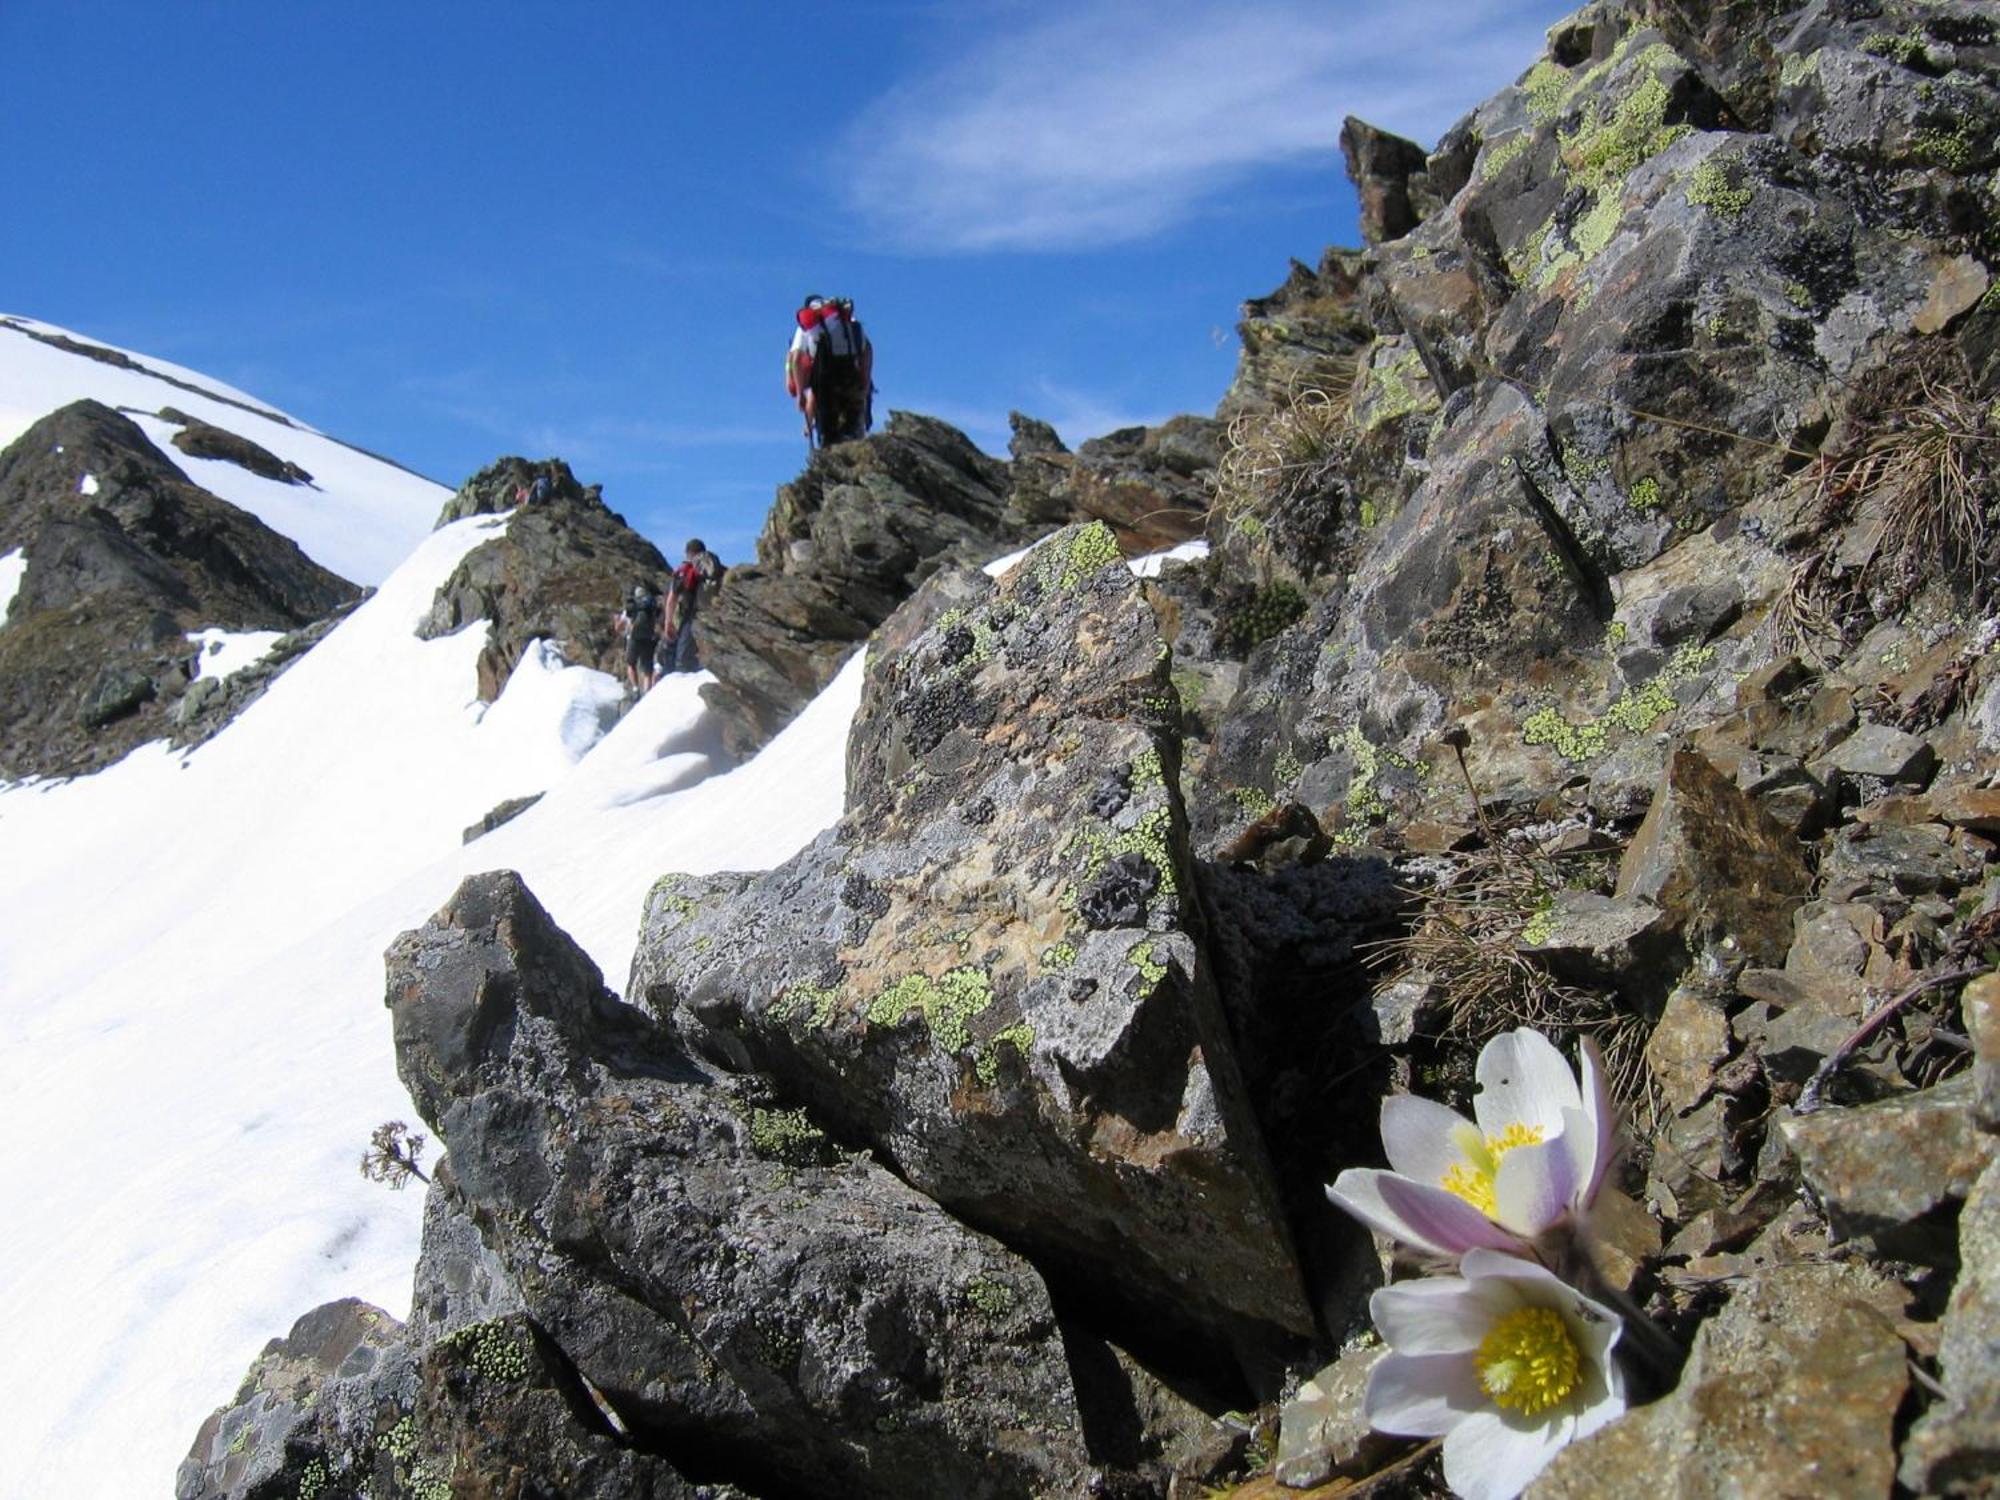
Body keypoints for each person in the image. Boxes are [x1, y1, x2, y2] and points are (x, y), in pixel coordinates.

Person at [785, 293, 874, 448]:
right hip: (850, 374)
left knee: (828, 435)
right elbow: (867, 348)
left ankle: (830, 462)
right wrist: (865, 377)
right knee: (854, 428)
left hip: (826, 382)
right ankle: (857, 454)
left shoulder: (807, 327)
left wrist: (800, 394)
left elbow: (796, 359)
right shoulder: (846, 319)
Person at [661, 539, 724, 674]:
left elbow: (672, 598)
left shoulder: (685, 570)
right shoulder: (715, 567)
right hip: (715, 615)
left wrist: (668, 622)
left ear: (688, 553)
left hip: (692, 616)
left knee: (684, 662)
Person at [615, 581, 661, 693]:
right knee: (647, 670)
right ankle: (647, 692)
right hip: (648, 638)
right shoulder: (651, 606)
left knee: (631, 664)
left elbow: (618, 627)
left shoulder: (632, 608)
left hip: (633, 638)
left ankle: (635, 689)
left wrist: (617, 621)